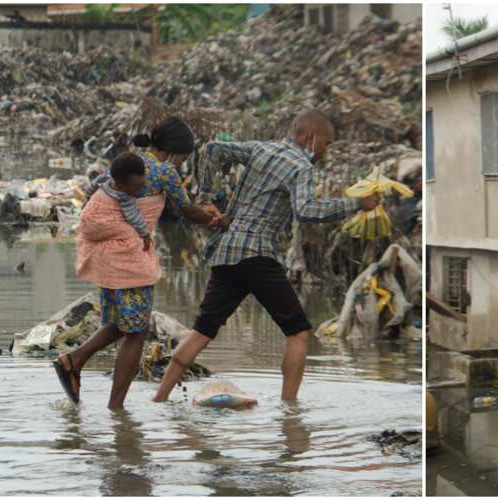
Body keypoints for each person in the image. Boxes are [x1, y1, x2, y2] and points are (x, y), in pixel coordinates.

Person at [152, 109, 378, 403]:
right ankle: (290, 410)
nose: (326, 151)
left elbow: (212, 149)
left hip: (226, 253)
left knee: (202, 331)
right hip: (257, 255)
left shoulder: (261, 148)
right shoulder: (301, 167)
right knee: (298, 333)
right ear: (308, 137)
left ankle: (159, 398)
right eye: (326, 143)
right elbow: (306, 211)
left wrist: (205, 197)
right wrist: (356, 205)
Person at [53, 117, 222, 409]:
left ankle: (74, 360)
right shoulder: (164, 170)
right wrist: (217, 220)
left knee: (121, 324)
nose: (182, 164)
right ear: (172, 152)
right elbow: (186, 211)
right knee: (137, 332)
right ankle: (116, 409)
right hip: (127, 259)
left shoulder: (130, 163)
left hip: (108, 258)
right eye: (183, 157)